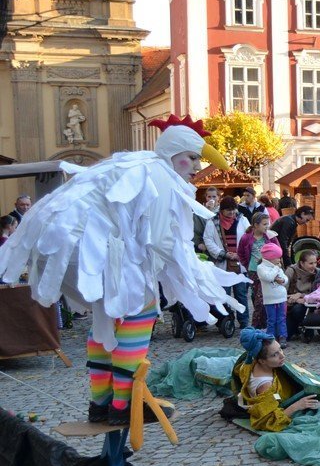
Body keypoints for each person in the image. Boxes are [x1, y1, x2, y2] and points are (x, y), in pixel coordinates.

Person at [0, 116, 242, 425]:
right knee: (140, 310)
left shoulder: (136, 163)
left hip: (70, 249)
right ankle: (123, 403)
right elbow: (158, 242)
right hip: (91, 250)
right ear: (173, 153)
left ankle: (100, 402)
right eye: (192, 157)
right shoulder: (159, 175)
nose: (196, 165)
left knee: (107, 319)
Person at [233, 330, 320, 431]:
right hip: (283, 400)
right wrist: (297, 406)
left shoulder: (253, 360)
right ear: (262, 361)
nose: (282, 355)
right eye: (274, 355)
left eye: (280, 349)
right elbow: (270, 420)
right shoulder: (265, 386)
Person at [204, 196, 252, 327]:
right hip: (222, 264)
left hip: (239, 263)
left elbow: (249, 238)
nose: (231, 213)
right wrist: (223, 254)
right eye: (228, 210)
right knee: (222, 295)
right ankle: (225, 322)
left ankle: (244, 322)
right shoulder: (212, 222)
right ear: (222, 210)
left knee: (241, 294)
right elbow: (208, 240)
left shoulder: (242, 220)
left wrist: (240, 254)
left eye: (233, 210)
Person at [239, 213, 273, 330]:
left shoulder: (270, 236)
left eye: (267, 224)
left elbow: (277, 250)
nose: (266, 226)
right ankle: (259, 324)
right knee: (257, 296)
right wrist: (247, 265)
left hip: (267, 270)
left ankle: (255, 325)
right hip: (253, 271)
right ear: (255, 225)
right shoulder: (246, 238)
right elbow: (241, 253)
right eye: (264, 224)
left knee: (261, 298)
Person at [256, 241, 289, 344]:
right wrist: (276, 268)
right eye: (278, 257)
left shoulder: (277, 267)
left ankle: (282, 335)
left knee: (281, 318)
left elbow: (285, 278)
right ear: (270, 257)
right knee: (271, 319)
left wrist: (283, 280)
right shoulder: (261, 267)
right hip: (270, 298)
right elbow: (268, 277)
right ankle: (271, 336)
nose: (279, 259)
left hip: (281, 297)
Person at [285, 249, 320, 340]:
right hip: (291, 303)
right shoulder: (291, 271)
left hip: (310, 303)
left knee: (298, 309)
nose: (314, 266)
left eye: (315, 263)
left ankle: (307, 328)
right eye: (311, 263)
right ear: (302, 263)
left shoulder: (318, 272)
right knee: (286, 336)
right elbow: (282, 292)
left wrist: (302, 295)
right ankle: (297, 328)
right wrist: (295, 298)